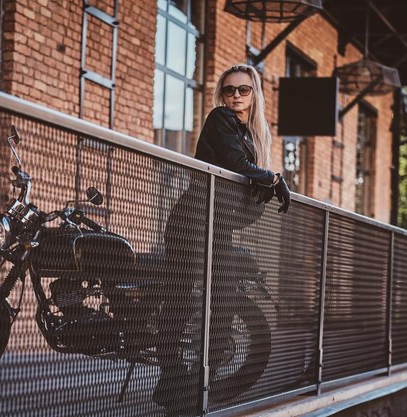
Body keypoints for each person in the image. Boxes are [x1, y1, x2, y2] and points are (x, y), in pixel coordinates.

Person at [153, 64, 291, 416]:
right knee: (180, 301)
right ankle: (172, 382)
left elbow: (246, 179)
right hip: (192, 219)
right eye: (229, 90)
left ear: (255, 93)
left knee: (224, 299)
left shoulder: (251, 133)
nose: (235, 97)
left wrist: (270, 180)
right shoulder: (220, 118)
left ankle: (202, 379)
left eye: (243, 90)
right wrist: (273, 178)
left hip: (216, 225)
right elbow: (232, 163)